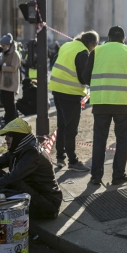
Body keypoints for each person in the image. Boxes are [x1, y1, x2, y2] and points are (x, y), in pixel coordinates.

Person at [82, 26, 127, 185]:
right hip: (122, 103)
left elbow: (85, 77)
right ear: (123, 38)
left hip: (101, 102)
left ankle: (96, 176)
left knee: (99, 139)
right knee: (122, 140)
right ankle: (118, 175)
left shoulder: (97, 51)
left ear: (108, 38)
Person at [0, 118, 63, 219]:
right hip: (32, 193)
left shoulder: (32, 153)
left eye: (10, 135)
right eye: (6, 135)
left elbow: (13, 177)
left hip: (46, 204)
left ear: (19, 137)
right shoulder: (17, 150)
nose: (6, 138)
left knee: (3, 188)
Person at [49, 31, 99, 171]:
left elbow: (54, 62)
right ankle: (73, 160)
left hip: (57, 89)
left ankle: (60, 157)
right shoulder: (83, 52)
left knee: (62, 125)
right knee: (71, 128)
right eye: (95, 45)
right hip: (70, 92)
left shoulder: (67, 45)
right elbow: (84, 77)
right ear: (91, 43)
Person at [0, 33, 21, 126]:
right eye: (2, 45)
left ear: (9, 45)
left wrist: (0, 66)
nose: (3, 47)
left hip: (11, 83)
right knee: (6, 103)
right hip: (4, 83)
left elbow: (13, 68)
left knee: (10, 104)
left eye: (4, 45)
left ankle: (11, 122)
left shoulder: (15, 54)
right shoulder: (5, 53)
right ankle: (11, 120)